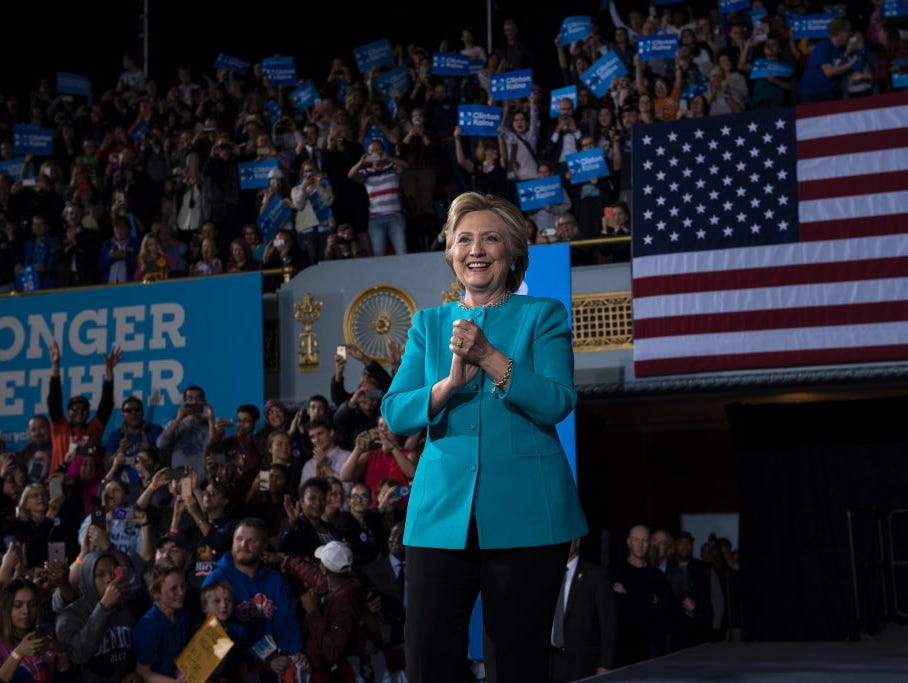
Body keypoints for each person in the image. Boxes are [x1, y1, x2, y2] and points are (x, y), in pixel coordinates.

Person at [381, 191, 587, 683]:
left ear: (513, 253)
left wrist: (492, 358)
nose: (476, 249)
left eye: (490, 239)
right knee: (429, 658)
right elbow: (395, 411)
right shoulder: (428, 325)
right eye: (464, 239)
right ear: (451, 253)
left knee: (517, 660)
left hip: (528, 516)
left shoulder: (544, 314)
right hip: (438, 515)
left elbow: (558, 400)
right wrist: (449, 385)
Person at [202, 518, 304, 681]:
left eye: (252, 541)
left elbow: (287, 622)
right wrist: (260, 661)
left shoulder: (275, 580)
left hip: (273, 666)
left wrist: (294, 654)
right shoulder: (217, 580)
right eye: (239, 539)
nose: (243, 545)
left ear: (264, 546)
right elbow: (213, 635)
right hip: (232, 670)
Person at [54, 550, 136, 683]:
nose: (109, 579)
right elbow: (78, 655)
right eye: (100, 575)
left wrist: (135, 672)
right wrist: (103, 608)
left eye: (112, 572)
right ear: (87, 578)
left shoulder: (126, 606)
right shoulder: (70, 615)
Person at [46, 340, 120, 473]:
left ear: (88, 413)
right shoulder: (59, 427)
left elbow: (106, 404)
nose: (79, 412)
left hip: (86, 485)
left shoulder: (94, 429)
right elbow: (54, 400)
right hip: (58, 481)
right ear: (68, 412)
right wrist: (55, 365)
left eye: (84, 409)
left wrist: (109, 371)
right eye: (75, 409)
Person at [550, 538, 616, 682]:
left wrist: (605, 664)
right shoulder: (547, 574)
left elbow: (608, 624)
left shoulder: (595, 575)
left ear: (577, 541)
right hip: (551, 663)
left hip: (583, 664)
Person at [347, 140, 409, 257]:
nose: (375, 154)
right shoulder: (366, 173)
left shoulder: (393, 167)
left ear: (383, 151)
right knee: (379, 254)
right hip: (376, 219)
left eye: (377, 150)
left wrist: (388, 158)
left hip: (395, 216)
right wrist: (361, 162)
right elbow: (351, 175)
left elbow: (406, 166)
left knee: (402, 252)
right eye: (371, 152)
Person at [0, 578, 68, 681]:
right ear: (6, 608)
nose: (26, 611)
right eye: (18, 605)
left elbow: (64, 674)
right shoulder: (2, 643)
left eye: (32, 605)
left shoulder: (45, 635)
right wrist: (18, 653)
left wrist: (59, 650)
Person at [132, 563, 191, 682]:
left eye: (183, 587)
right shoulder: (148, 628)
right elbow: (143, 672)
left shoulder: (182, 617)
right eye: (174, 589)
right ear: (155, 594)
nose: (181, 593)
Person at [799, 17, 858, 103]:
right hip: (812, 95)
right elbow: (829, 73)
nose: (850, 35)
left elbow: (840, 68)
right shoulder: (823, 47)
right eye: (848, 32)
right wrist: (851, 63)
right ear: (842, 33)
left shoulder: (841, 50)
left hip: (829, 94)